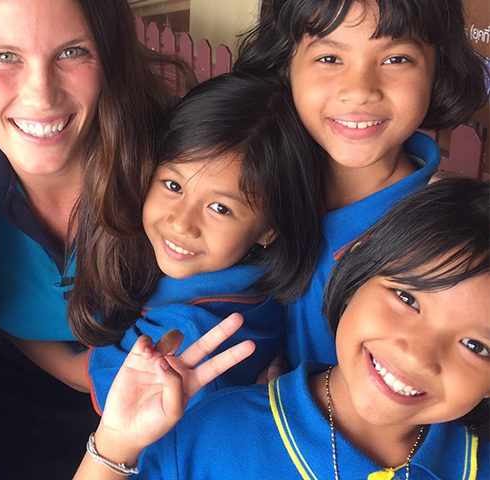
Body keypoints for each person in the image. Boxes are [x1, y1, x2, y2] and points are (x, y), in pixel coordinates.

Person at [0, 0, 194, 477]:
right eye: (4, 57)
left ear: (109, 56)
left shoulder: (176, 163)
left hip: (165, 403)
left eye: (72, 52)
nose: (41, 95)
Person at [76, 177, 489, 479]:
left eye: (476, 344)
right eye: (407, 298)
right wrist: (115, 443)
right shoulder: (214, 433)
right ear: (356, 273)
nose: (418, 353)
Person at [233, 0, 489, 368]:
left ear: (437, 71)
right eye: (329, 58)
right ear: (286, 65)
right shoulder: (252, 182)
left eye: (396, 59)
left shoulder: (442, 239)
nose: (360, 90)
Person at [80, 73, 323, 411]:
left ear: (270, 229)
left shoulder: (191, 330)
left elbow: (112, 394)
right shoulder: (249, 281)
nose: (182, 222)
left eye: (220, 208)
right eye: (173, 186)